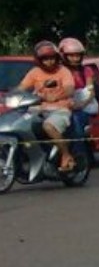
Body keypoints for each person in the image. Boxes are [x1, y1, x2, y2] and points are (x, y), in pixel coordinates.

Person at [17, 40, 77, 171]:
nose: (49, 62)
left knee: (48, 126)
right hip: (38, 109)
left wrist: (57, 96)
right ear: (39, 60)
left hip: (60, 109)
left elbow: (70, 89)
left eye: (52, 58)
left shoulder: (63, 71)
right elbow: (21, 88)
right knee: (19, 124)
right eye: (45, 59)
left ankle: (66, 155)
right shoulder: (35, 72)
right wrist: (12, 96)